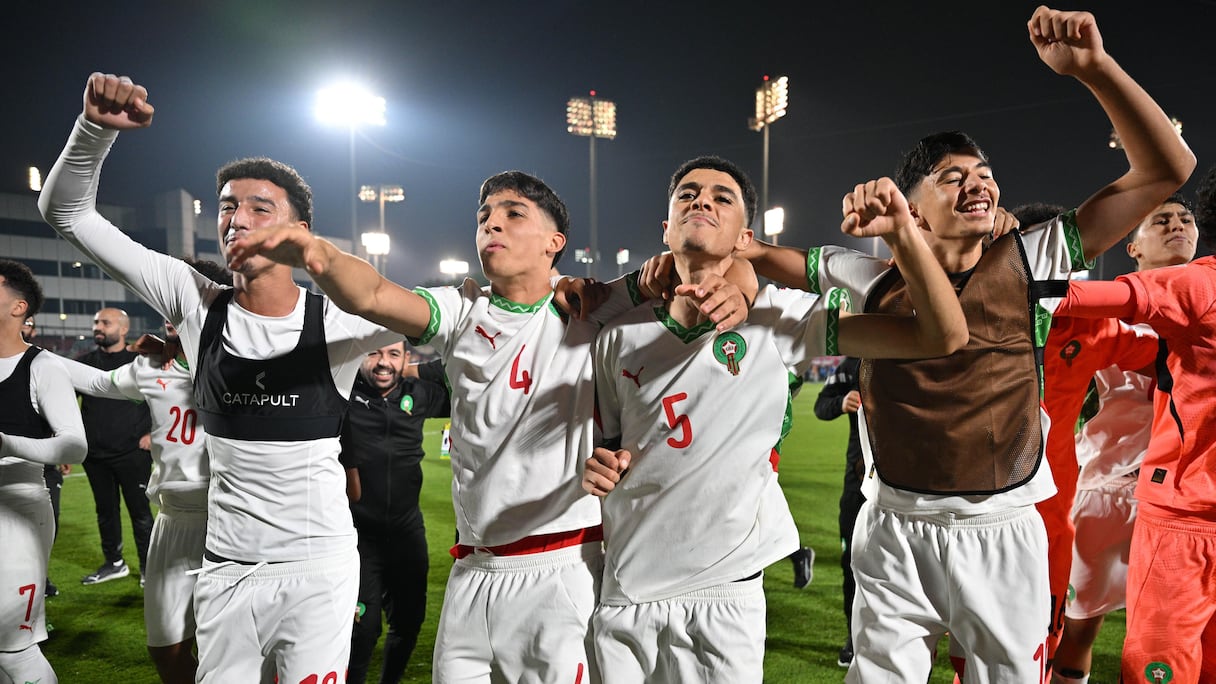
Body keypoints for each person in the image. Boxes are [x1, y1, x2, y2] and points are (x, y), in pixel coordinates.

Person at [731, 7, 1194, 681]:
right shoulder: (862, 273)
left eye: (984, 173)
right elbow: (750, 253)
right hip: (893, 525)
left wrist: (1095, 69)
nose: (977, 183)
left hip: (1001, 526)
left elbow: (1166, 169)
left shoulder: (1033, 257)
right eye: (952, 177)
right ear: (913, 208)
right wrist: (718, 265)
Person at [226, 165, 753, 682]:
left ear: (555, 242)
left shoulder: (591, 306)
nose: (491, 224)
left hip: (561, 569)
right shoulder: (460, 311)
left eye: (513, 213)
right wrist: (316, 253)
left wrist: (742, 288)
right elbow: (373, 295)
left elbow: (701, 259)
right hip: (471, 574)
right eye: (484, 216)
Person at [39, 73, 403, 682]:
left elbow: (453, 318)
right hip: (225, 566)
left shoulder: (338, 320)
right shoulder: (194, 301)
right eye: (228, 205)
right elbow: (67, 213)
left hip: (318, 569)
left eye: (261, 207)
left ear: (299, 232)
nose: (237, 217)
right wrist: (93, 130)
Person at [580, 156, 967, 683]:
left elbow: (941, 335)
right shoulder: (617, 336)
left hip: (724, 591)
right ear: (665, 230)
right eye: (688, 194)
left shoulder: (782, 317)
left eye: (722, 198)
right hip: (625, 589)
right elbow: (609, 444)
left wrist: (901, 233)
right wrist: (599, 465)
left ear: (746, 238)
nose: (702, 200)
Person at [1054, 166, 1216, 682]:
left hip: (1185, 501)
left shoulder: (1205, 294)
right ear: (1132, 247)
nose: (1177, 226)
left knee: (1179, 644)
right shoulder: (1110, 315)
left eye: (1185, 219)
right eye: (1160, 220)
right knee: (1077, 627)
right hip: (1110, 489)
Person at [59, 258, 231, 684]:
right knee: (165, 647)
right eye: (165, 299)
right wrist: (27, 356)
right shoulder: (152, 366)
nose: (169, 308)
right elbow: (96, 383)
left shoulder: (249, 362)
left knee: (230, 653)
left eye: (181, 298)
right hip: (172, 519)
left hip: (230, 521)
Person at [342, 341, 450, 684]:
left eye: (393, 354)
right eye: (374, 352)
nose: (383, 363)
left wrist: (414, 370)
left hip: (407, 532)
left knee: (409, 622)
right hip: (358, 537)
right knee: (362, 630)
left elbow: (462, 372)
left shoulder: (419, 393)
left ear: (407, 357)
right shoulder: (342, 394)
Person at [0, 259, 87, 684]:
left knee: (15, 648)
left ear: (19, 307)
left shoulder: (42, 366)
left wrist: (7, 444)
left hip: (17, 510)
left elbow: (74, 445)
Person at [77, 306, 154, 585]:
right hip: (95, 455)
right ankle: (114, 563)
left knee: (141, 514)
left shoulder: (141, 363)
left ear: (123, 329)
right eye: (96, 322)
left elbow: (162, 398)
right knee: (105, 513)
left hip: (133, 452)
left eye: (105, 323)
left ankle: (148, 569)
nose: (98, 327)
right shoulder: (83, 363)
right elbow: (65, 404)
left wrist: (153, 433)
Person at [813, 355, 864, 668]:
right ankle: (855, 636)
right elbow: (821, 405)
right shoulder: (852, 364)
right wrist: (841, 402)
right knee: (852, 564)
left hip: (909, 484)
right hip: (858, 484)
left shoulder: (915, 351)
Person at [22, 316, 69, 599]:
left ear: (34, 329)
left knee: (48, 522)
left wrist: (61, 448)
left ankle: (40, 576)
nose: (22, 327)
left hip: (45, 461)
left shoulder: (44, 363)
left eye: (28, 323)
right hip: (11, 460)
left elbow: (57, 410)